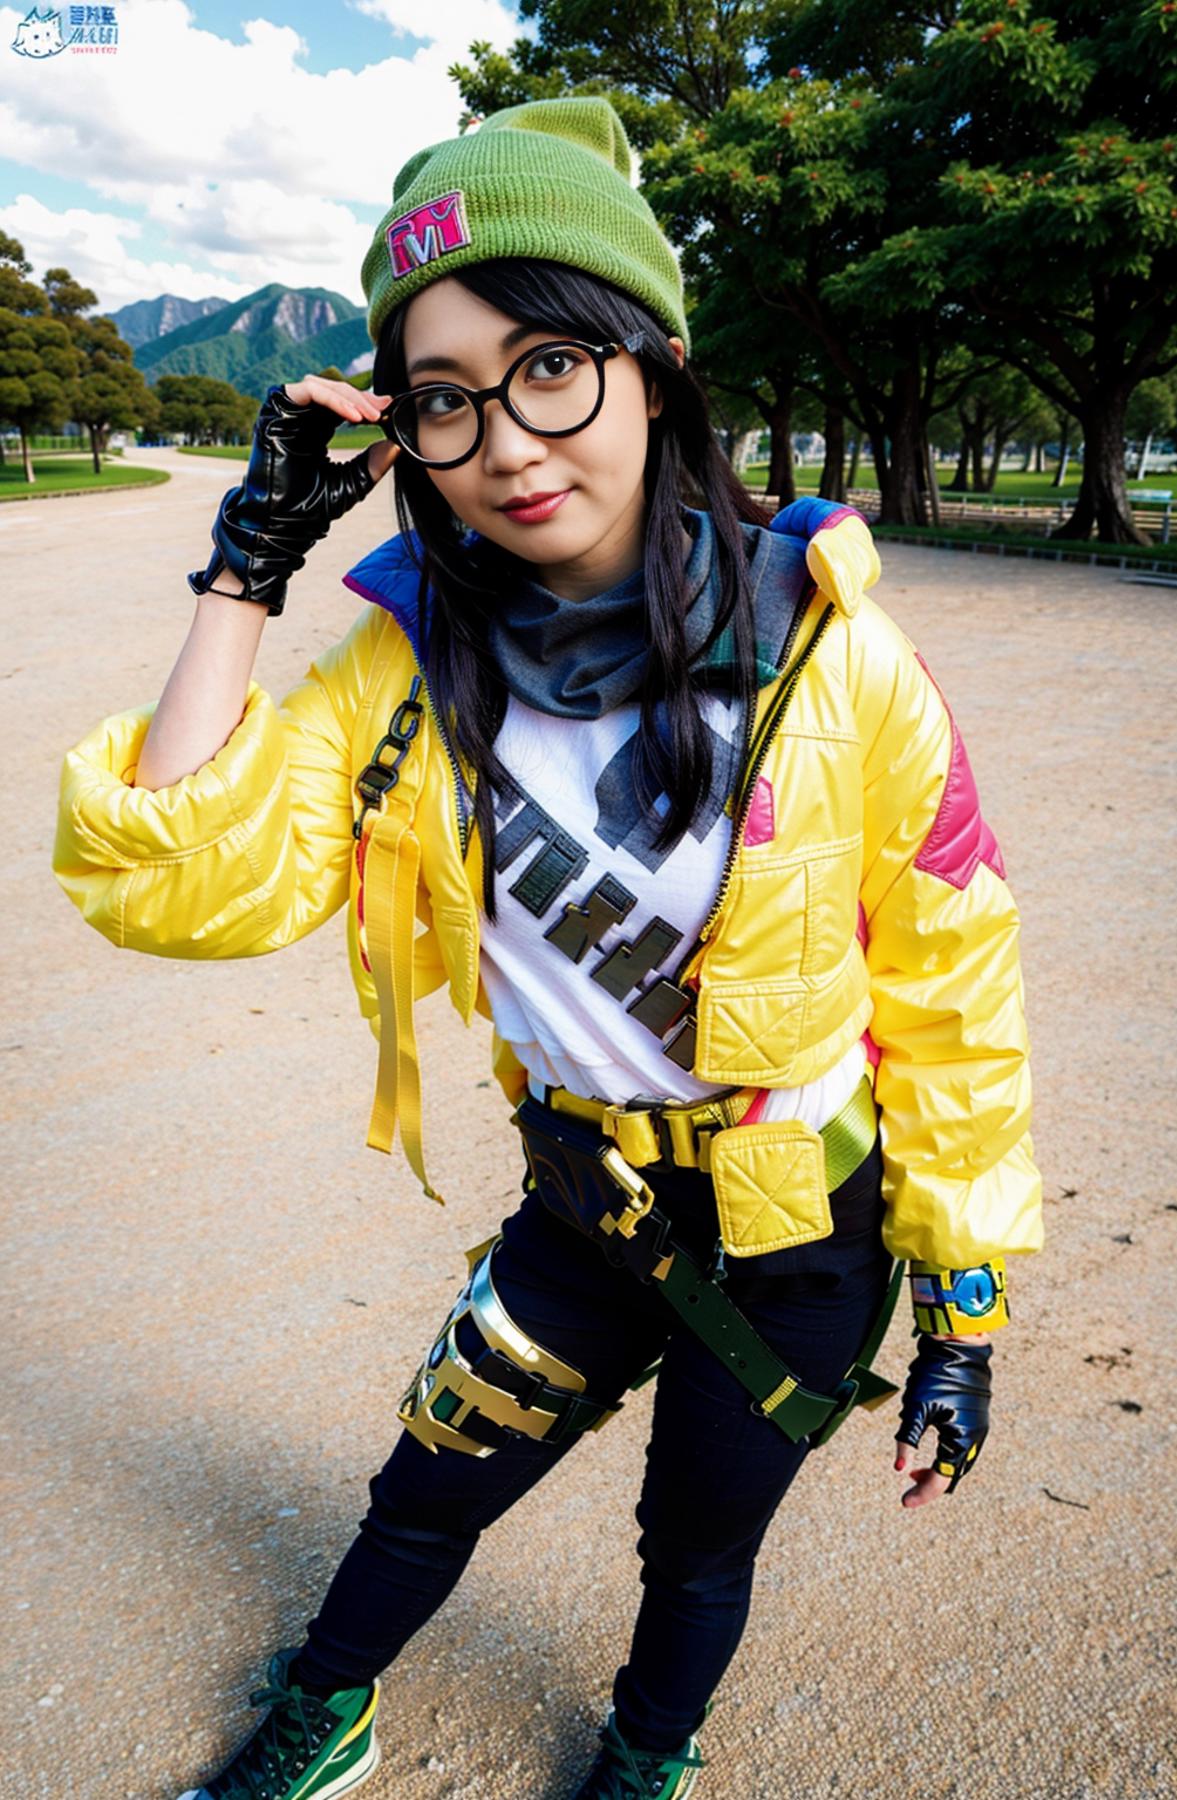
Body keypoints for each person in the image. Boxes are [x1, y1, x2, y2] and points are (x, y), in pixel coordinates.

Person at [52, 95, 1042, 1800]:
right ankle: (328, 1709)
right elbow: (174, 878)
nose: (507, 443)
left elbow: (955, 984)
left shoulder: (839, 661)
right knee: (422, 1491)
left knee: (696, 1542)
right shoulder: (405, 665)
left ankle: (647, 1755)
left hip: (801, 1229)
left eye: (551, 369)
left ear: (654, 369)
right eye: (445, 397)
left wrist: (964, 1303)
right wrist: (246, 568)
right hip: (585, 1200)